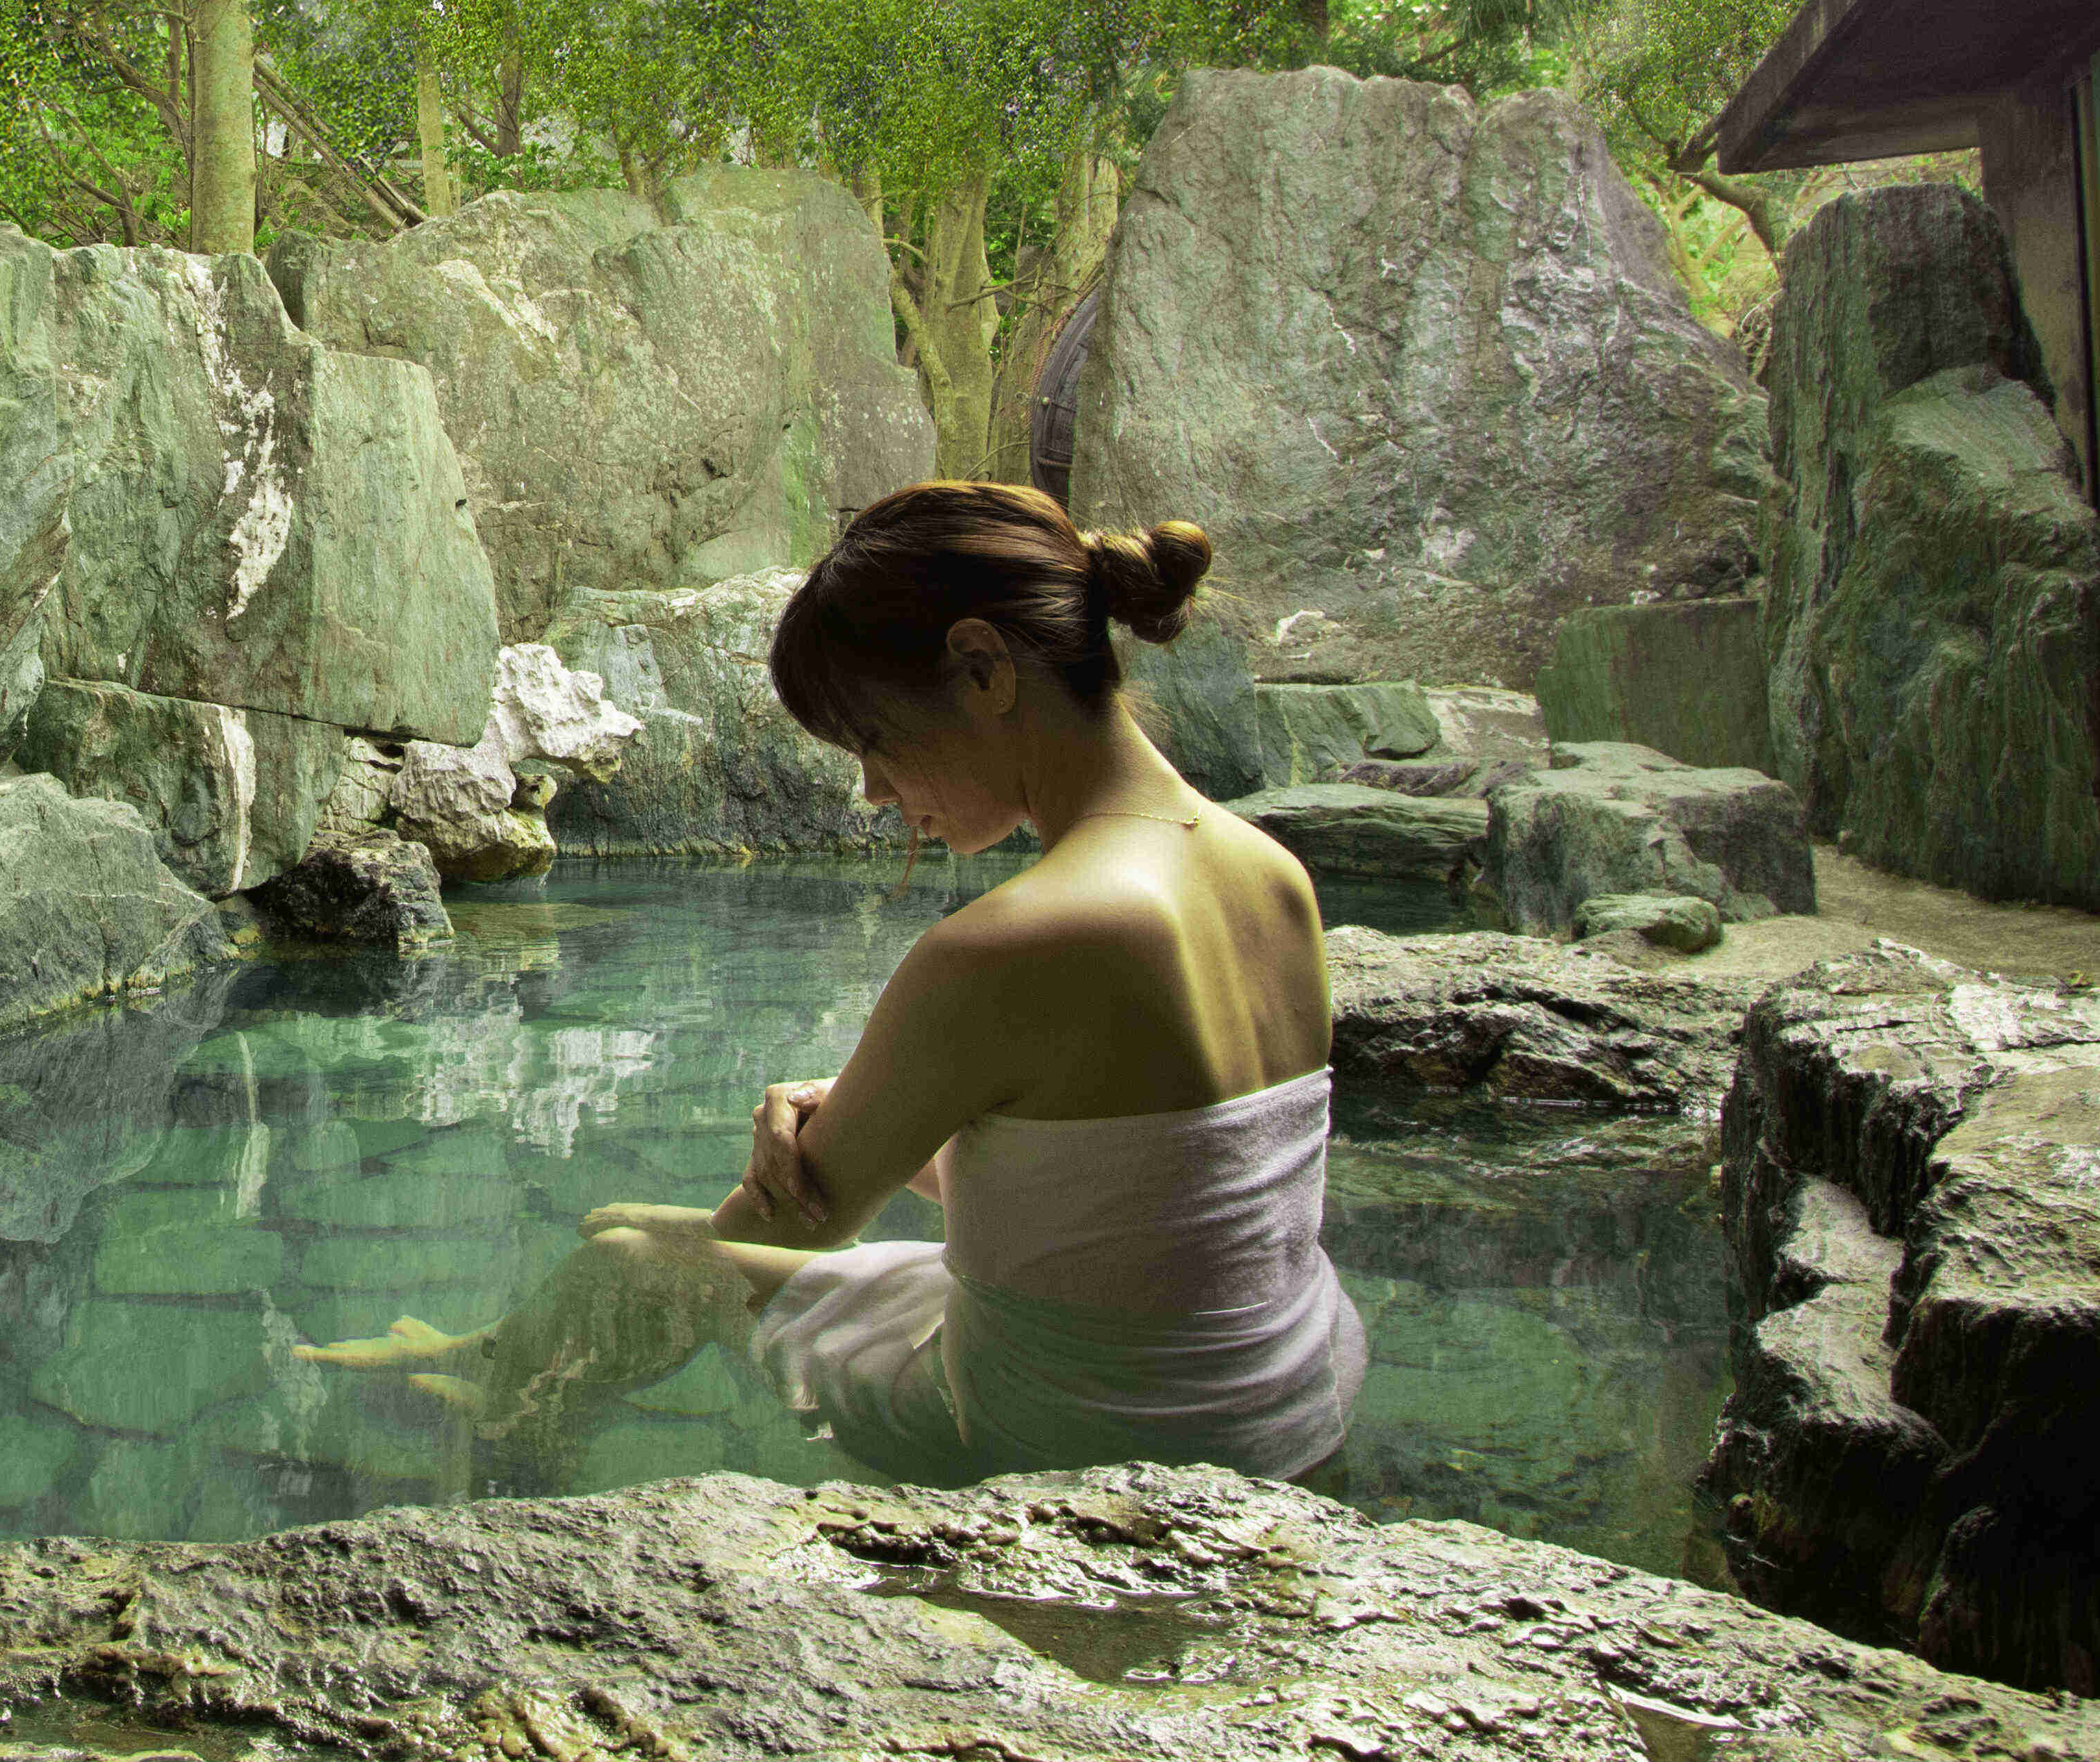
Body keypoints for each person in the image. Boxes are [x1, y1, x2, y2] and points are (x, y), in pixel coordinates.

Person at [300, 479, 1364, 1490]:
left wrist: (809, 1157)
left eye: (874, 738)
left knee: (631, 1255)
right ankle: (499, 1359)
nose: (869, 790)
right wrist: (876, 1112)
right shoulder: (1271, 875)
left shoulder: (1013, 944)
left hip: (1092, 1431)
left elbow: (788, 1227)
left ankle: (502, 1434)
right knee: (633, 1239)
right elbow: (1145, 1186)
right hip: (1281, 1392)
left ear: (985, 670)